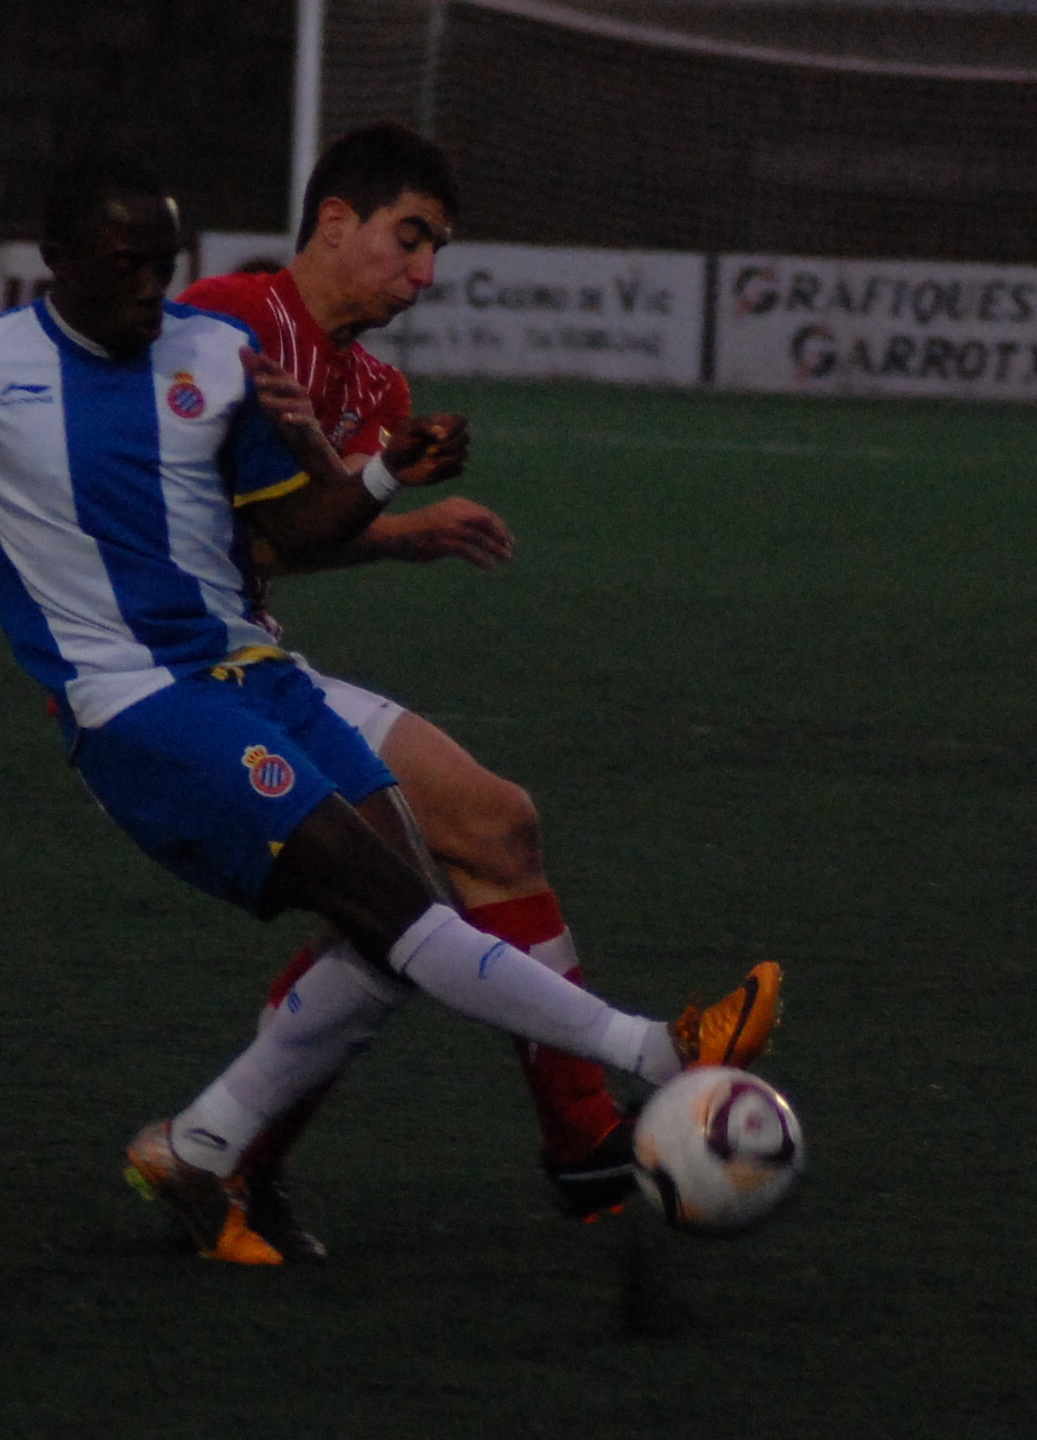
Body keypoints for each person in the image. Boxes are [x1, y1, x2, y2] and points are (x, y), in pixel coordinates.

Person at [0, 157, 775, 1266]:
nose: (150, 291)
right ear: (57, 257)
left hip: (254, 672)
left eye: (163, 263)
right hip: (135, 705)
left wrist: (383, 475)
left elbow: (298, 529)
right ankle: (655, 1052)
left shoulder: (212, 352)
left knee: (390, 929)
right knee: (389, 901)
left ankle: (208, 1151)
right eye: (125, 266)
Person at [148, 122, 781, 1260]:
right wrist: (388, 509)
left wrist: (399, 533)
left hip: (253, 652)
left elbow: (276, 544)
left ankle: (553, 1139)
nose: (424, 274)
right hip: (178, 677)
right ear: (334, 221)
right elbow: (183, 510)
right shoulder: (230, 320)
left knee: (492, 826)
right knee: (392, 902)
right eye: (409, 238)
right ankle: (576, 1126)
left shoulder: (376, 384)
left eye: (436, 249)